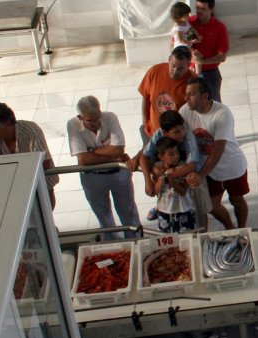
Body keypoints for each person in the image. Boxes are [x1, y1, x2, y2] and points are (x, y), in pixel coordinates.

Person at [180, 77, 250, 229]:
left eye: (191, 94)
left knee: (237, 200)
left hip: (231, 166)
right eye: (186, 94)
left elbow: (218, 149)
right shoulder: (185, 111)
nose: (186, 98)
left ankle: (242, 228)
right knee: (211, 206)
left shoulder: (222, 114)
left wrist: (201, 175)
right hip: (210, 171)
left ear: (205, 96)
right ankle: (231, 228)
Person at [67, 96, 141, 238]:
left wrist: (91, 152)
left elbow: (118, 150)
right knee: (104, 216)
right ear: (80, 117)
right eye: (90, 121)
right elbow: (83, 160)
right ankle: (113, 246)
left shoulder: (110, 118)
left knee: (129, 212)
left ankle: (136, 242)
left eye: (97, 118)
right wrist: (112, 155)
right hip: (92, 177)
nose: (95, 124)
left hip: (118, 173)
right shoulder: (73, 125)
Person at [137, 110, 205, 227]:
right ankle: (159, 208)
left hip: (190, 179)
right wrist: (148, 181)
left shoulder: (188, 137)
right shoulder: (158, 134)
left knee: (201, 209)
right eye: (176, 132)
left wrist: (166, 175)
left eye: (182, 129)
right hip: (166, 210)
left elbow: (191, 166)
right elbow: (143, 157)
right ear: (165, 133)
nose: (182, 134)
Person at [0, 102, 57, 206]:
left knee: (44, 213)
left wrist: (16, 174)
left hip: (40, 184)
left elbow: (44, 162)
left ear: (8, 123)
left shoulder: (31, 131)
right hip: (11, 189)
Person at [138, 46, 194, 144]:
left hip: (176, 139)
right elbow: (145, 97)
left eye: (181, 68)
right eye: (173, 65)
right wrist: (144, 122)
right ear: (169, 59)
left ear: (189, 65)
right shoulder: (154, 71)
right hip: (151, 133)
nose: (175, 71)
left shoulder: (193, 82)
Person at [147, 137, 196, 233]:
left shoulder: (183, 168)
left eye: (176, 153)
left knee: (188, 235)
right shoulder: (157, 169)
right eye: (171, 154)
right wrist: (163, 177)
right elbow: (156, 191)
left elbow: (183, 192)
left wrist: (172, 182)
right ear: (161, 156)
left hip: (183, 210)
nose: (175, 156)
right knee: (166, 238)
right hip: (164, 211)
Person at [188, 0, 229, 103]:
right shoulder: (189, 23)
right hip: (190, 71)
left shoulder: (219, 28)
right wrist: (192, 56)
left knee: (213, 102)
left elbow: (222, 57)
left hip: (210, 73)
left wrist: (202, 61)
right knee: (190, 103)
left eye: (203, 9)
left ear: (211, 10)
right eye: (197, 7)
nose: (199, 11)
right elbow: (177, 44)